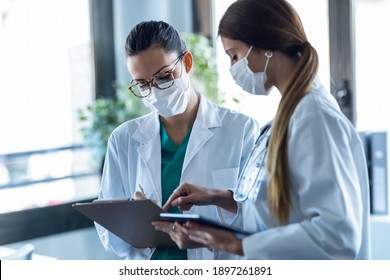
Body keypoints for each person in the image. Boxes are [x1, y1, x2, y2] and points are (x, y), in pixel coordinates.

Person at [158, 0, 370, 259]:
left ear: (265, 46)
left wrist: (236, 245)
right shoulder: (288, 116)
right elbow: (282, 210)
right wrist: (220, 197)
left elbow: (337, 234)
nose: (233, 67)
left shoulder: (314, 117)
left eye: (234, 55)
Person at [94, 20, 259, 260]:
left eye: (163, 77)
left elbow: (261, 219)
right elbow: (111, 239)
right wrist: (131, 216)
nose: (154, 91)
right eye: (143, 84)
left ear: (187, 63)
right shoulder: (123, 140)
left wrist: (218, 211)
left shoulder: (242, 130)